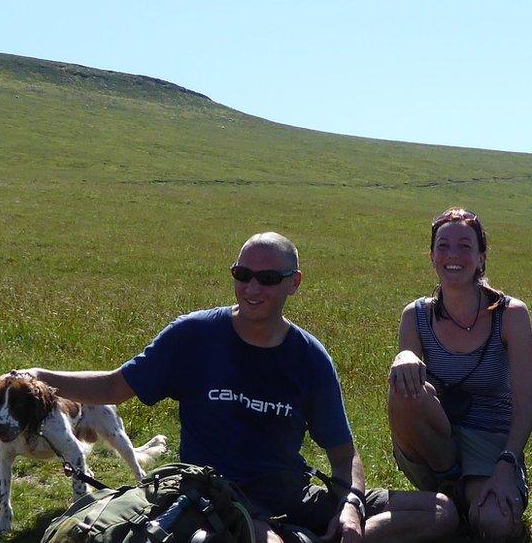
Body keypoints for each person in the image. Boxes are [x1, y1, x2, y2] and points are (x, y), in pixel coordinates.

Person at [24, 232, 457, 542]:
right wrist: (40, 376)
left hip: (291, 490)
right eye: (242, 273)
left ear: (294, 283)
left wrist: (351, 507)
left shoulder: (309, 357)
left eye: (268, 279)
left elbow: (344, 454)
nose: (252, 287)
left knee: (441, 511)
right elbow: (116, 386)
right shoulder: (193, 335)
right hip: (212, 494)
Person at [388, 207, 532, 540]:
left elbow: (525, 408)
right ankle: (452, 490)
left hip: (491, 444)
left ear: (481, 258)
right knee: (404, 386)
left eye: (465, 246)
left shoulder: (511, 315)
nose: (453, 255)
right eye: (444, 246)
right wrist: (405, 355)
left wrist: (508, 463)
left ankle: (454, 504)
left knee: (497, 526)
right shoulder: (416, 315)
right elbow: (408, 389)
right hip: (438, 443)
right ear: (432, 256)